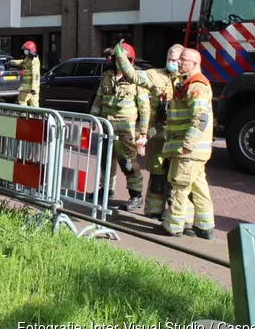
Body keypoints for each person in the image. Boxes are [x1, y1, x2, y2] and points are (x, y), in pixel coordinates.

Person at [115, 43, 190, 222]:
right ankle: (154, 211)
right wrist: (120, 54)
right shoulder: (155, 75)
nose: (172, 63)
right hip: (159, 133)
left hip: (180, 137)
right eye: (169, 59)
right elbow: (132, 75)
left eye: (175, 60)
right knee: (157, 174)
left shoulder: (188, 80)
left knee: (178, 178)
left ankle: (179, 217)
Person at [158, 48, 215, 239]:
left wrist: (187, 145)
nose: (179, 62)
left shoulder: (196, 86)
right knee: (199, 186)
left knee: (179, 185)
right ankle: (204, 227)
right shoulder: (187, 83)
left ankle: (172, 226)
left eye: (184, 60)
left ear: (195, 64)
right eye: (179, 59)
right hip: (197, 151)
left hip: (189, 150)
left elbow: (200, 119)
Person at [91, 43, 150, 210]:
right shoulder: (107, 75)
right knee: (106, 161)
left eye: (125, 60)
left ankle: (136, 195)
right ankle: (106, 190)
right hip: (106, 127)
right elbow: (99, 98)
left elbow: (144, 108)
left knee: (128, 163)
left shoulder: (137, 79)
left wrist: (143, 133)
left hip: (125, 131)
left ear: (130, 61)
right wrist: (93, 119)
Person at [10, 41, 40, 107]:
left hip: (28, 88)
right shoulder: (29, 58)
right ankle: (35, 117)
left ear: (31, 50)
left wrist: (33, 88)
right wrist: (11, 62)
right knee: (34, 106)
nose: (25, 51)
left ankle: (23, 116)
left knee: (21, 100)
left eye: (26, 50)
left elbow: (35, 75)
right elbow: (22, 62)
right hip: (32, 89)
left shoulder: (33, 61)